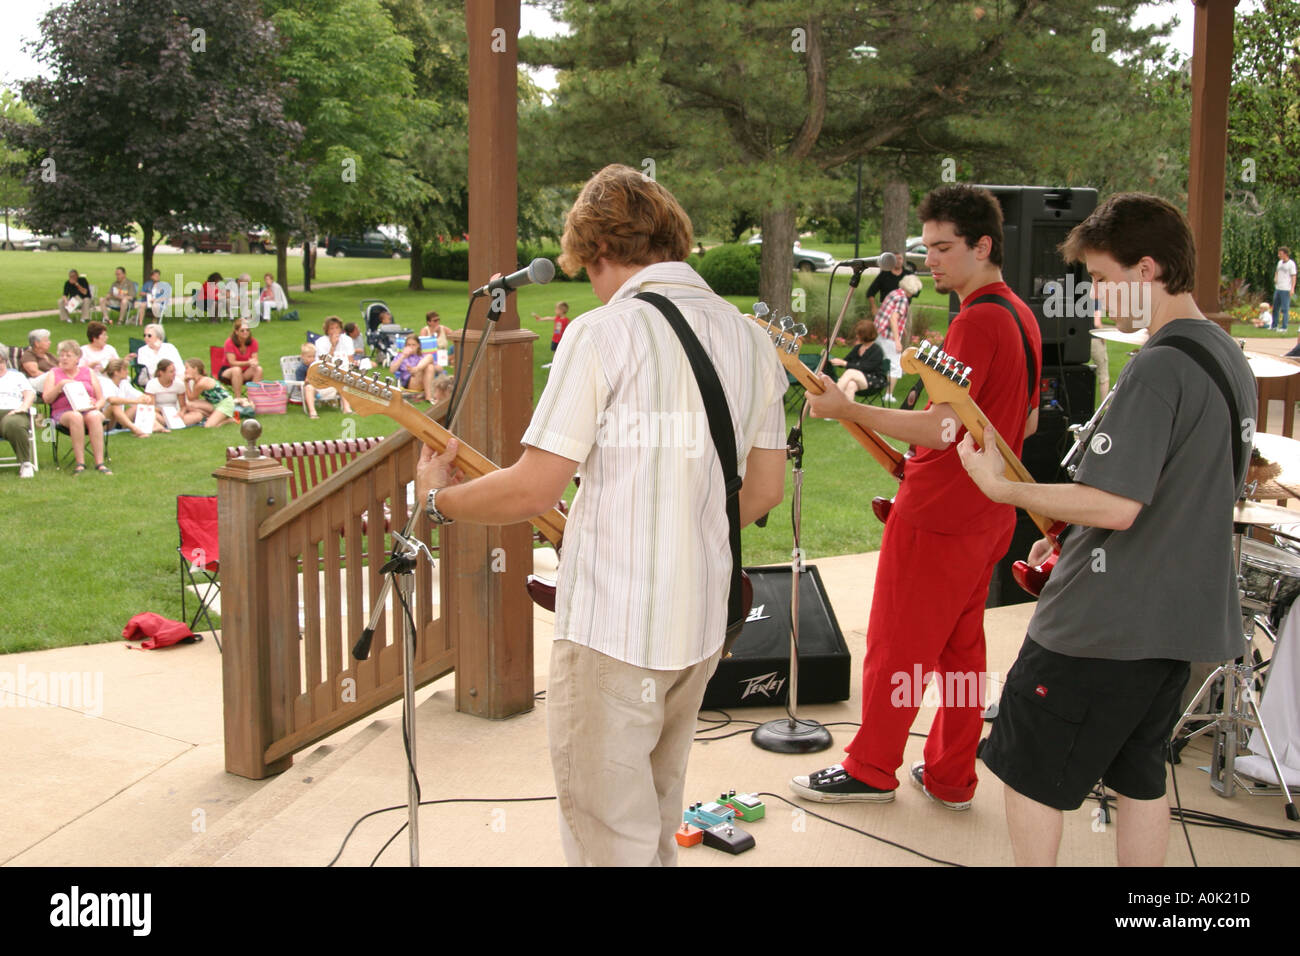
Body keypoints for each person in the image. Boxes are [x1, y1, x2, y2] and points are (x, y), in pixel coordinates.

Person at [414, 164, 787, 866]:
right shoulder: (751, 338)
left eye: (587, 266)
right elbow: (763, 490)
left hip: (616, 628)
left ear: (599, 252)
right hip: (703, 619)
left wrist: (437, 501)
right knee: (655, 814)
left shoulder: (601, 333)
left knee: (608, 841)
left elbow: (532, 491)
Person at [958, 192, 1253, 866]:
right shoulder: (1226, 356)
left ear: (1146, 269)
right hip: (1176, 624)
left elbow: (1117, 505)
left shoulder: (1158, 366)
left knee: (1028, 769)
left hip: (1104, 628)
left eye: (1099, 278)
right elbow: (1177, 492)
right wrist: (1067, 534)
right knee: (1139, 778)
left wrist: (1004, 487)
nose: (1092, 296)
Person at [791, 184, 1042, 811]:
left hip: (939, 516)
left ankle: (872, 768)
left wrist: (851, 408)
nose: (929, 259)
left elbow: (942, 426)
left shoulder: (977, 320)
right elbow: (1026, 423)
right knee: (961, 652)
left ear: (983, 246)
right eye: (926, 246)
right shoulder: (1020, 314)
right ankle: (953, 775)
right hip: (989, 511)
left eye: (943, 247)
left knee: (898, 645)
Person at [43, 339, 111, 474]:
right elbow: (46, 399)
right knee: (75, 417)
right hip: (63, 412)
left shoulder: (88, 372)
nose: (64, 358)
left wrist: (96, 406)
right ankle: (80, 463)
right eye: (61, 355)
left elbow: (101, 398)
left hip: (88, 408)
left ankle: (100, 463)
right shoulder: (54, 373)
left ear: (77, 358)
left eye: (68, 355)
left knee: (95, 416)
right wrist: (60, 385)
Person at [873, 272, 923, 402]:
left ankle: (874, 385)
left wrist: (903, 329)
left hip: (879, 332)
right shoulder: (903, 299)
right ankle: (888, 395)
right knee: (895, 365)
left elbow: (888, 313)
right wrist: (897, 341)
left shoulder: (894, 293)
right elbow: (894, 318)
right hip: (888, 336)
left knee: (879, 360)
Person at [101, 358, 166, 436]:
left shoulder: (123, 383)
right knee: (114, 406)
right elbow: (112, 400)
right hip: (106, 421)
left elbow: (137, 395)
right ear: (116, 372)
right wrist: (136, 401)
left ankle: (154, 425)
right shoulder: (105, 382)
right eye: (125, 369)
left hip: (120, 420)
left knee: (138, 407)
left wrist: (145, 398)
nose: (127, 371)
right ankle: (136, 430)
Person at [828, 319, 888, 401]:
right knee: (851, 385)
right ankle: (847, 412)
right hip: (859, 380)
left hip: (874, 381)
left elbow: (866, 368)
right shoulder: (858, 348)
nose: (856, 336)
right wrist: (832, 359)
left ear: (866, 335)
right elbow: (846, 361)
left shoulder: (877, 350)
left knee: (850, 372)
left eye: (859, 334)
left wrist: (845, 363)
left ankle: (831, 398)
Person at [0, 348, 37, 477]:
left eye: (1, 362)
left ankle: (25, 464)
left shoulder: (16, 376)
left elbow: (30, 393)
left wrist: (23, 407)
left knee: (15, 424)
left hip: (14, 412)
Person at [183, 358, 241, 428]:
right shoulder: (197, 381)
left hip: (225, 404)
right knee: (190, 405)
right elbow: (194, 400)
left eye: (187, 368)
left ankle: (231, 419)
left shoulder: (201, 383)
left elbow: (191, 398)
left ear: (195, 369)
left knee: (208, 426)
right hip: (214, 403)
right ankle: (216, 416)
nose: (185, 371)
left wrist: (186, 383)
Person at [313, 317, 354, 413]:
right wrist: (333, 346)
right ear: (327, 330)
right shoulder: (321, 342)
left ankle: (347, 408)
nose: (335, 331)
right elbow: (323, 363)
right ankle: (346, 408)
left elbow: (350, 359)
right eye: (332, 328)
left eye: (337, 328)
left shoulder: (347, 340)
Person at [146, 358, 202, 427]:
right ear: (161, 372)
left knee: (198, 415)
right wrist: (164, 411)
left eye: (174, 371)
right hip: (159, 414)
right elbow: (151, 406)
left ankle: (170, 423)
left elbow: (183, 406)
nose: (174, 374)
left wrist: (181, 413)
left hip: (174, 414)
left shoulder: (178, 384)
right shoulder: (152, 384)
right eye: (171, 372)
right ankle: (171, 423)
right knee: (151, 414)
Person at [220, 318, 263, 399]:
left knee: (259, 369)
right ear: (236, 332)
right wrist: (248, 363)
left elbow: (255, 359)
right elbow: (232, 362)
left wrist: (254, 363)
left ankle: (252, 399)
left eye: (247, 330)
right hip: (228, 371)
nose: (245, 332)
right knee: (237, 370)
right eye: (242, 330)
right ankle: (238, 399)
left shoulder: (253, 342)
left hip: (245, 372)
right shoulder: (229, 342)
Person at [389, 334, 437, 402]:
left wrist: (421, 368)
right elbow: (391, 370)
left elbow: (439, 369)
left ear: (418, 345)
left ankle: (428, 397)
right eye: (408, 345)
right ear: (405, 346)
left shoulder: (423, 356)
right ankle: (429, 397)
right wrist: (403, 356)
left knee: (430, 364)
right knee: (429, 363)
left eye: (413, 345)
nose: (411, 347)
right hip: (411, 382)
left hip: (424, 381)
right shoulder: (401, 356)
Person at [1274, 246, 1296, 333]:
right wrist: (1275, 277)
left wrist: (1292, 288)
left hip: (1286, 289)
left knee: (1284, 309)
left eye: (1281, 254)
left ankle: (1284, 327)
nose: (1279, 255)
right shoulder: (1279, 262)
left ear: (1285, 254)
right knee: (1275, 308)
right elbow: (1277, 271)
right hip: (1278, 288)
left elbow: (1293, 276)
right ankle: (1274, 325)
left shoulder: (1291, 264)